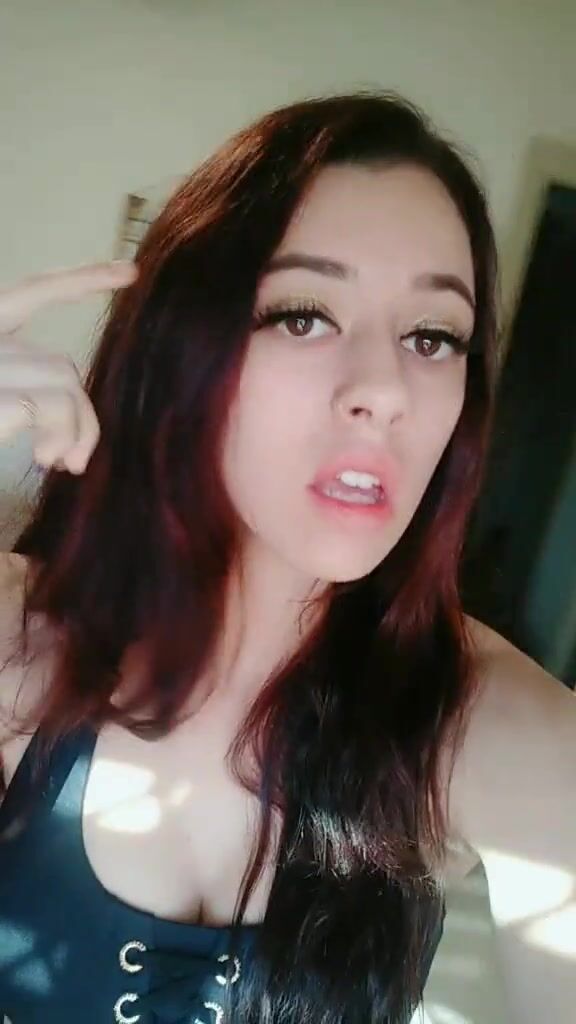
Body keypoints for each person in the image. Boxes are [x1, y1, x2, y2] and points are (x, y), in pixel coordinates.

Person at [0, 92, 573, 1024]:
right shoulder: (22, 640)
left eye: (432, 336)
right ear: (182, 350)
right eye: (305, 316)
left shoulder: (496, 731)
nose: (385, 390)